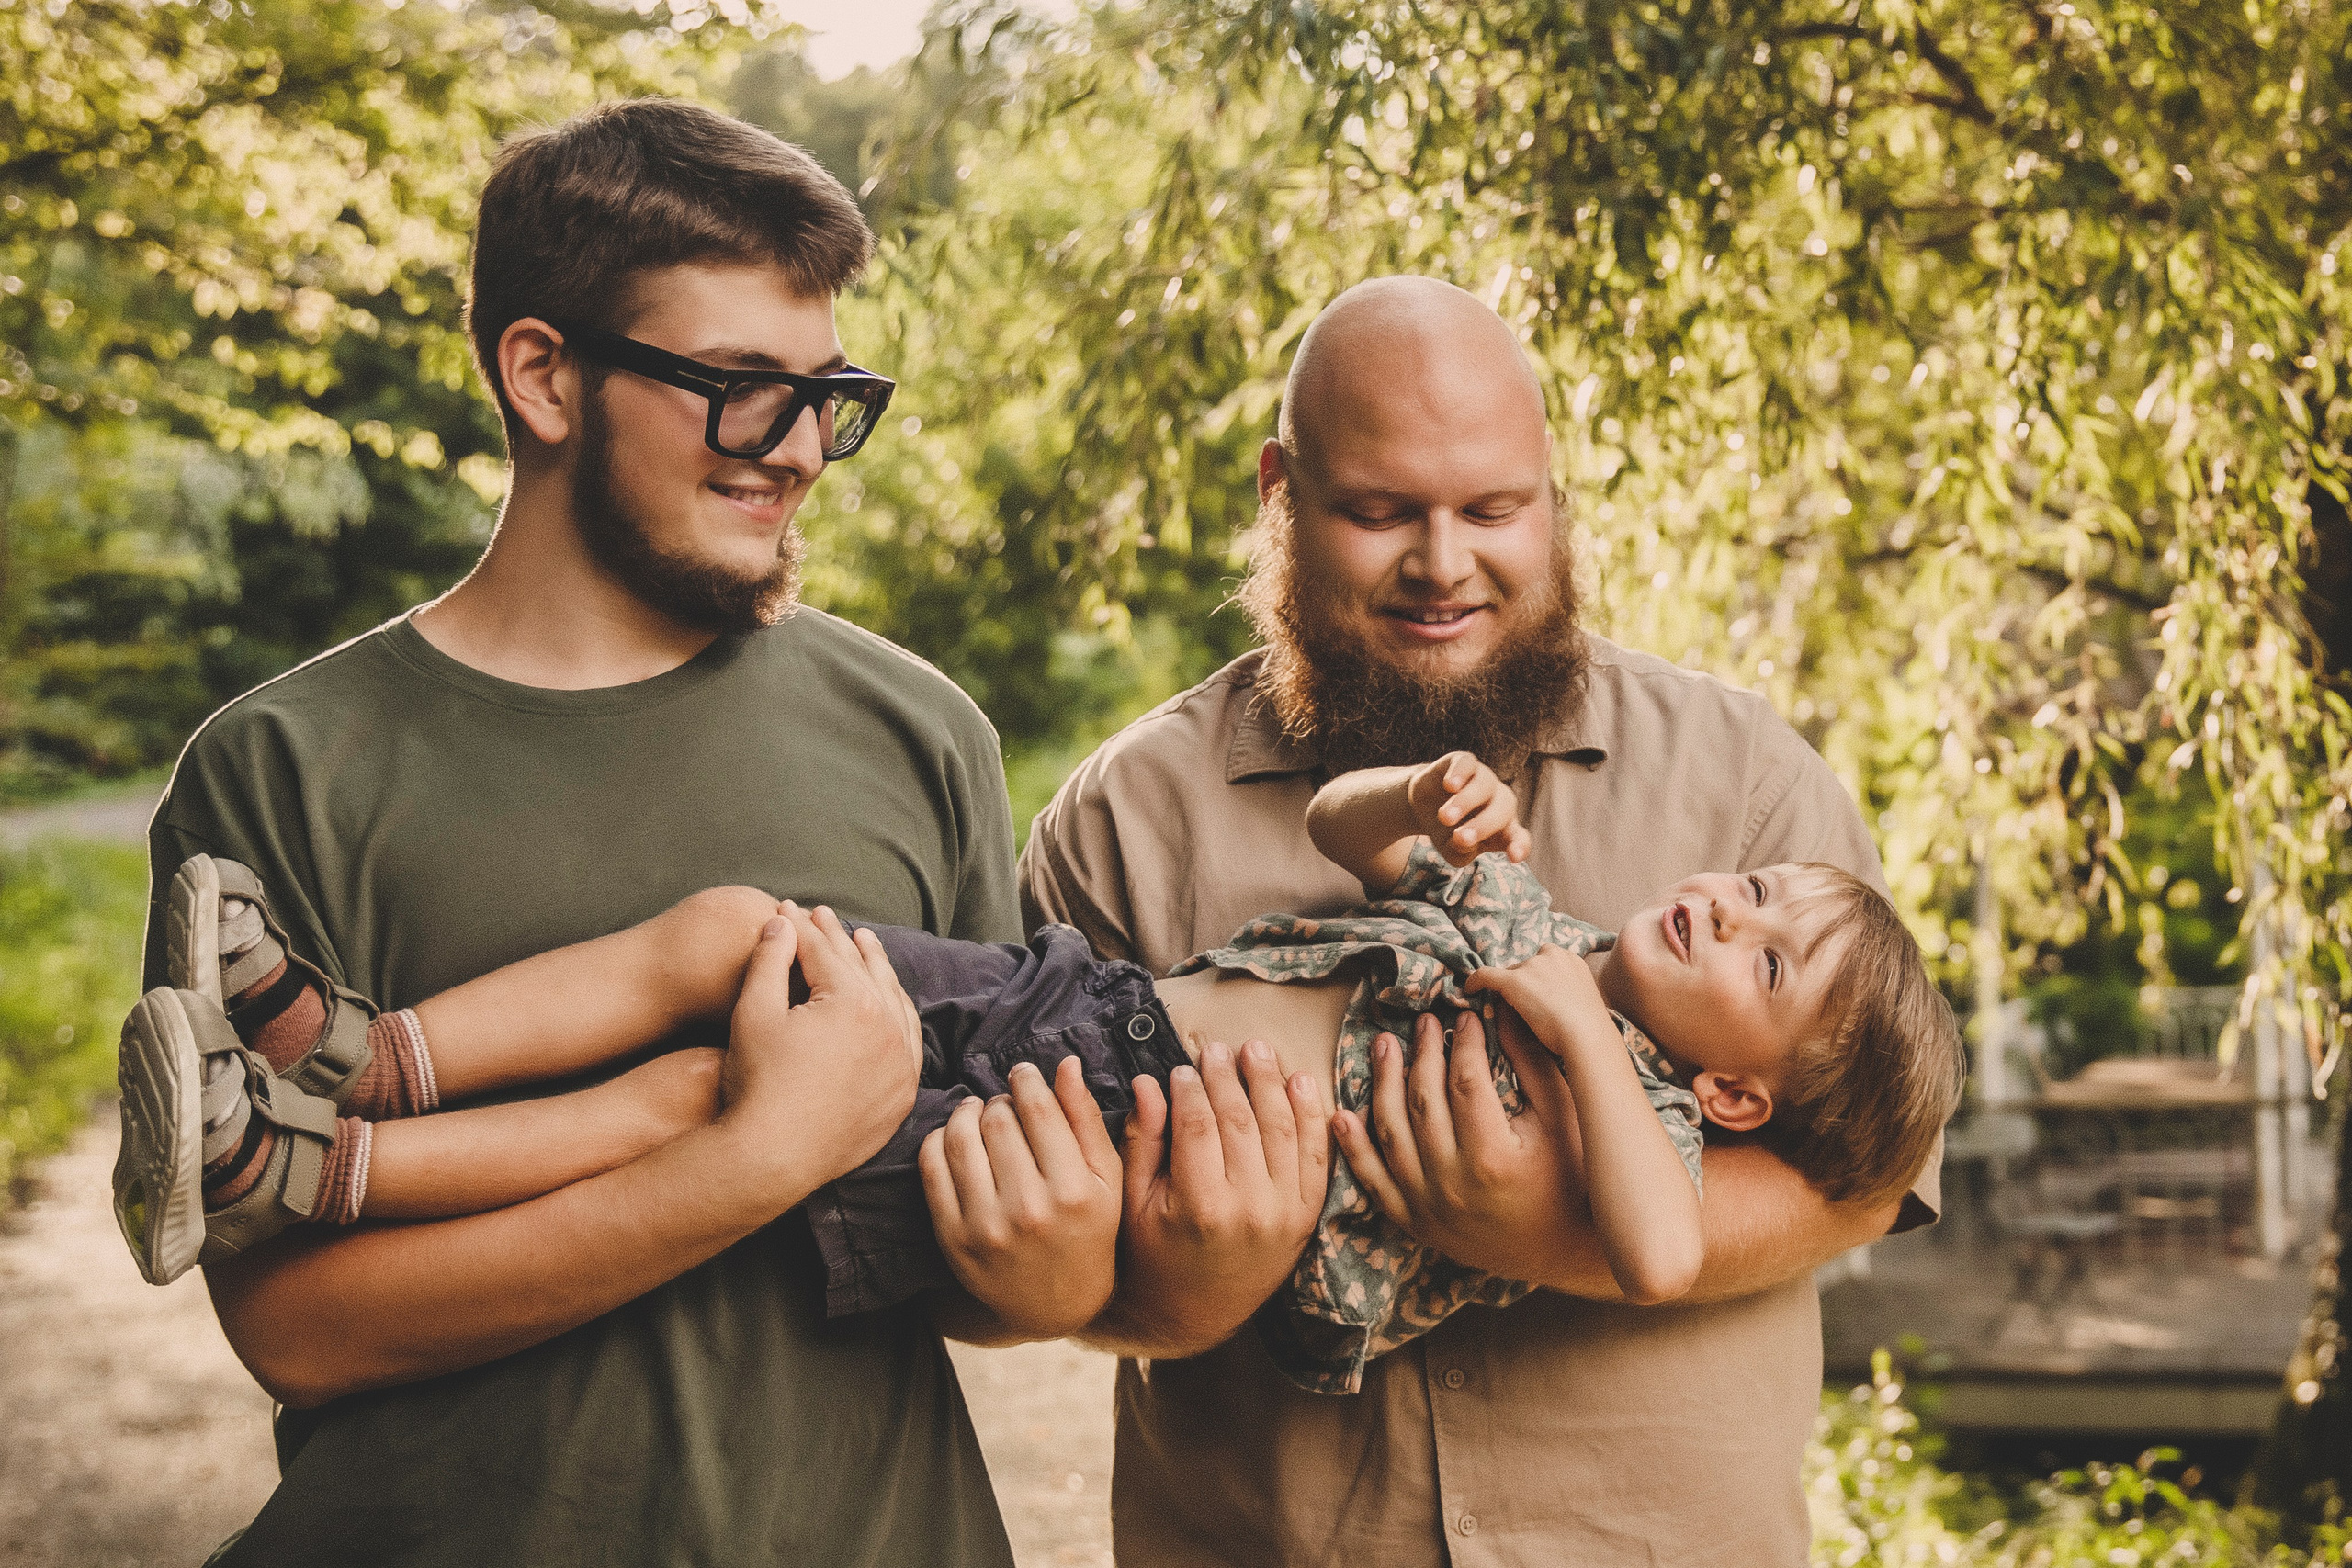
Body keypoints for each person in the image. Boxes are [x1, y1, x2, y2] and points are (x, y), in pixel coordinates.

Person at [140, 98, 1099, 1568]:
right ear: (544, 376)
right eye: (739, 387)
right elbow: (302, 1331)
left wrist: (1065, 1260)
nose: (797, 452)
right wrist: (750, 1157)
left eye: (826, 393)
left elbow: (965, 1262)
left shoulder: (924, 733)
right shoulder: (278, 773)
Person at [1019, 275, 1948, 1565]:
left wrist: (1537, 1228)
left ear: (1552, 499)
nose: (1443, 565)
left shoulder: (1751, 788)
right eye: (1382, 511)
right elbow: (1037, 1252)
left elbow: (1865, 1176)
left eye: (1494, 510)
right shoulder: (1129, 814)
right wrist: (1184, 1282)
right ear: (1280, 492)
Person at [121, 755, 1958, 1399]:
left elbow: (1646, 1251)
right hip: (1079, 1000)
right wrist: (1413, 802)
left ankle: (290, 1169)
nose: (1734, 897)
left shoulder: (1632, 1111)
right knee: (735, 942)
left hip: (1101, 1137)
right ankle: (352, 1045)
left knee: (717, 1111)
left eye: (1771, 950)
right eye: (1763, 886)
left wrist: (1558, 1013)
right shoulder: (1533, 902)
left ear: (1735, 1098)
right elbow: (1332, 825)